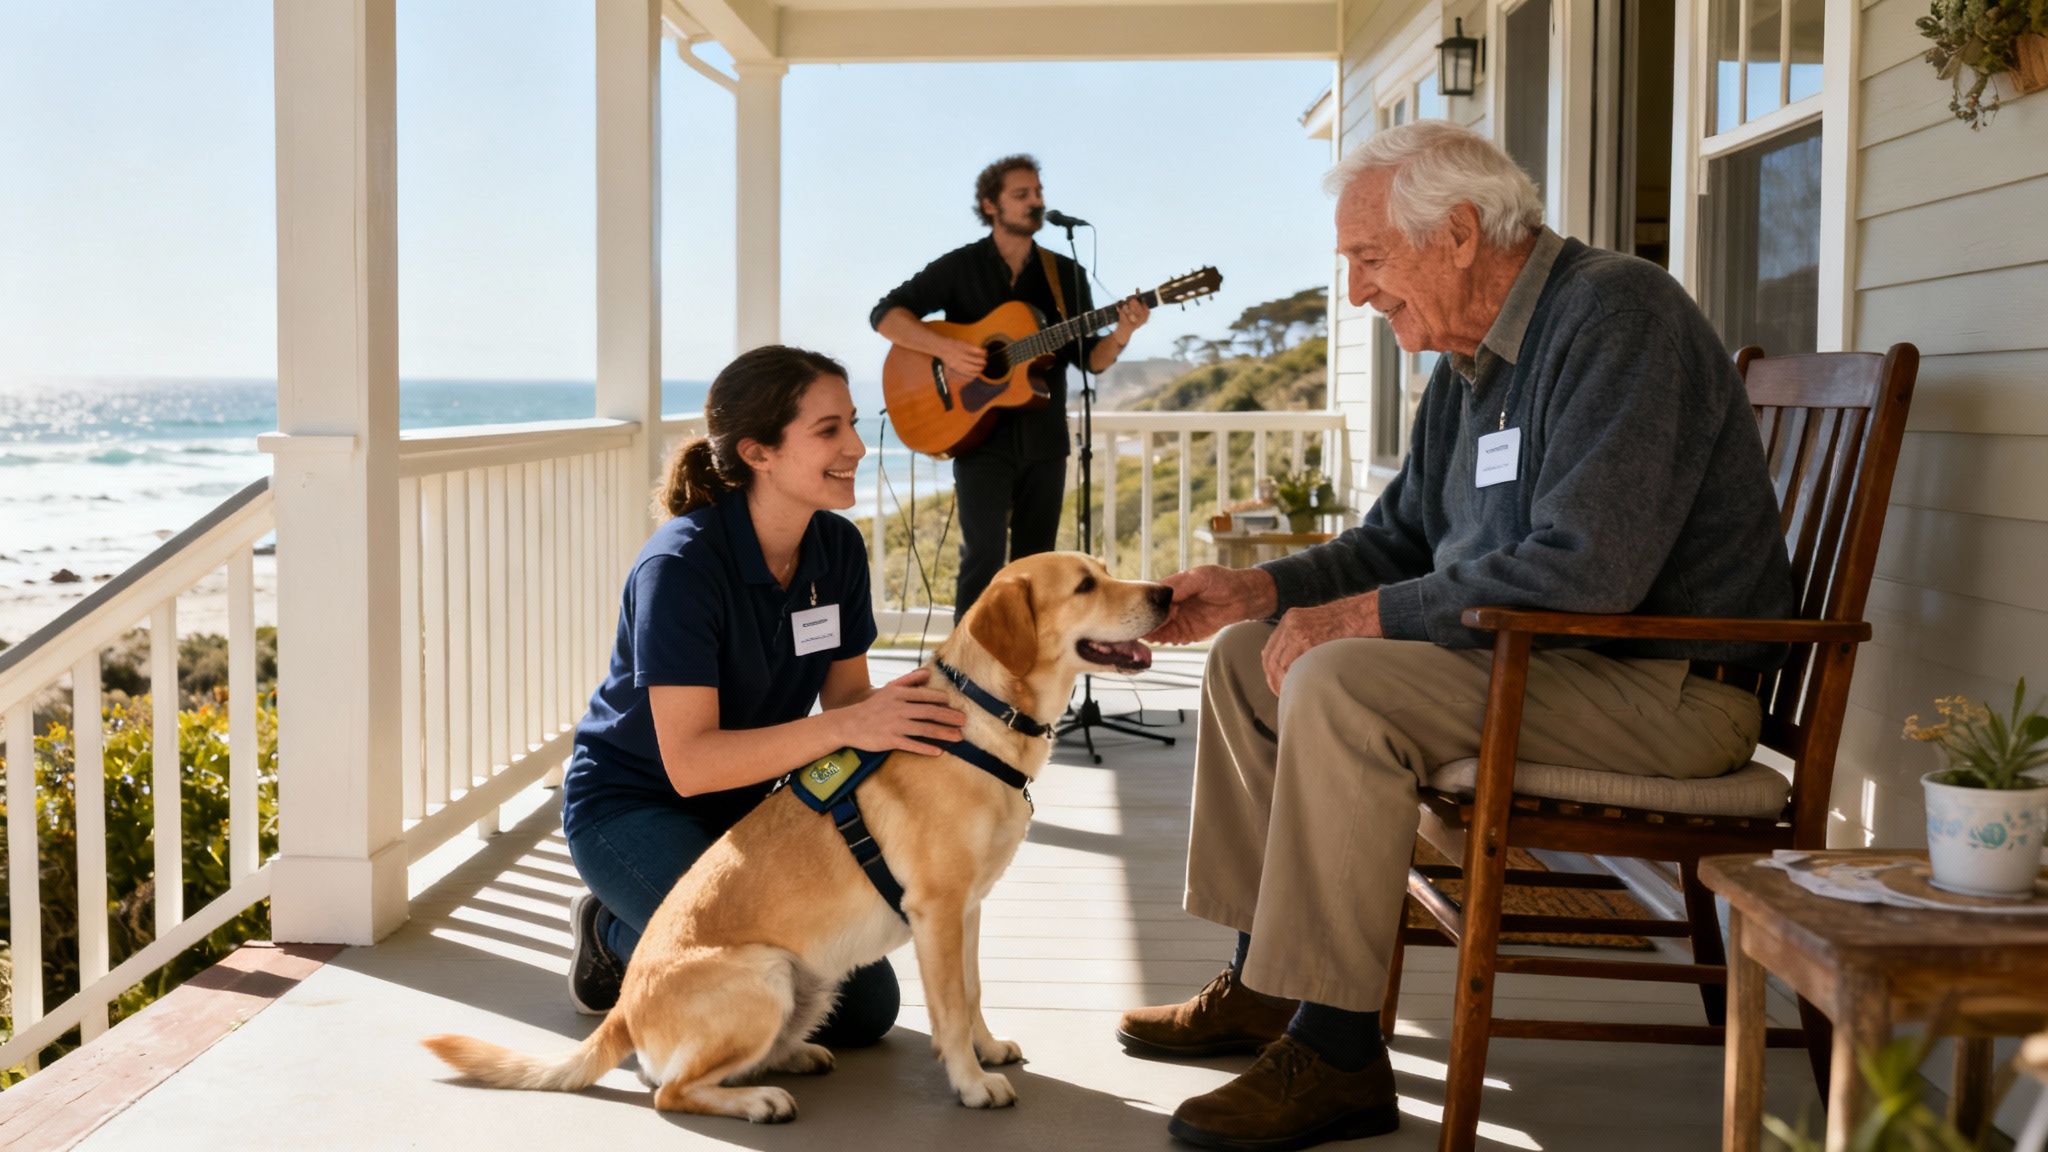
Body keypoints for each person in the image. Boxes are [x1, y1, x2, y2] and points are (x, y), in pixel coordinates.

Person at [1116, 121, 1797, 1151]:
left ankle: (1337, 1052)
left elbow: (1588, 571)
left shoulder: (1617, 317)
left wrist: (1358, 620)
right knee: (1244, 661)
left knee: (1339, 681)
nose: (1355, 292)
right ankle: (1269, 984)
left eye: (1367, 259)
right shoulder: (1472, 364)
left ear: (1460, 233)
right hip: (1541, 666)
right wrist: (1256, 588)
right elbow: (1396, 541)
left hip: (1663, 690)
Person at [560, 345, 969, 1048]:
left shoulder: (836, 549)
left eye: (853, 424)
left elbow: (846, 706)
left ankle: (642, 924)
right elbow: (691, 764)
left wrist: (910, 715)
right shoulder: (681, 566)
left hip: (754, 808)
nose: (857, 447)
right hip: (635, 806)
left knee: (861, 1012)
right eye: (830, 429)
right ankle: (613, 929)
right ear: (759, 452)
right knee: (760, 987)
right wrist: (856, 726)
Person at [871, 153, 1150, 615]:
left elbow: (1090, 360)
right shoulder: (960, 267)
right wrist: (946, 350)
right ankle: (962, 672)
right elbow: (886, 315)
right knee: (981, 559)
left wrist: (1123, 331)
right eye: (1022, 195)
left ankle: (1027, 672)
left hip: (1044, 440)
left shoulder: (1066, 275)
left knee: (1036, 564)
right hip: (979, 439)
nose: (1036, 202)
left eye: (1038, 193)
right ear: (989, 206)